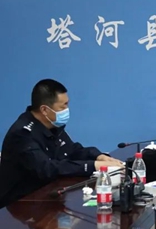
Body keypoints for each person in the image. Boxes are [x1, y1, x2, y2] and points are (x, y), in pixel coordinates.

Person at [0, 79, 122, 208]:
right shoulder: (22, 135)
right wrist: (93, 166)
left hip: (47, 194)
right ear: (44, 110)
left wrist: (98, 156)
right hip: (18, 206)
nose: (67, 110)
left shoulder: (51, 125)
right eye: (63, 106)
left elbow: (72, 151)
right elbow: (47, 169)